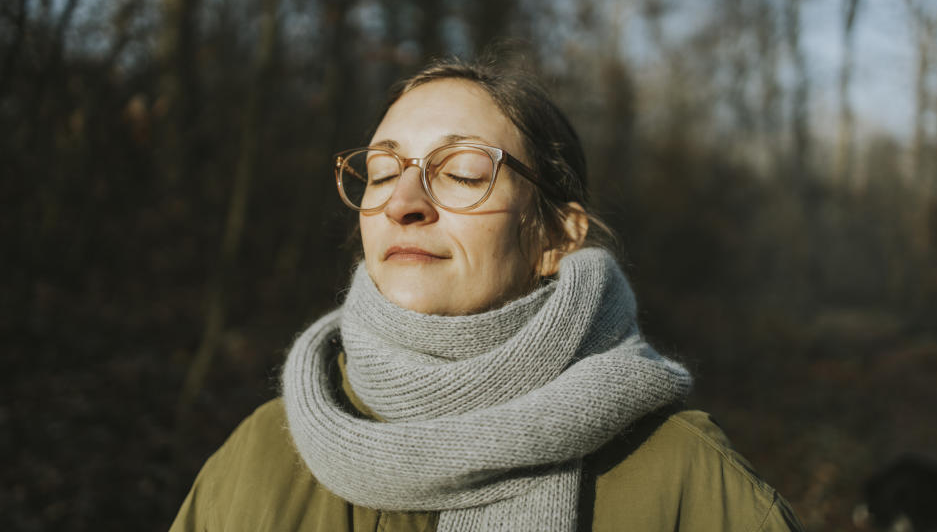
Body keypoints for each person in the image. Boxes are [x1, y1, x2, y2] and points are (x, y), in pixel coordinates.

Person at [170, 58, 804, 531]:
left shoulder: (686, 480)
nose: (404, 202)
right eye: (384, 171)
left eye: (464, 173)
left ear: (558, 234)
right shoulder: (256, 455)